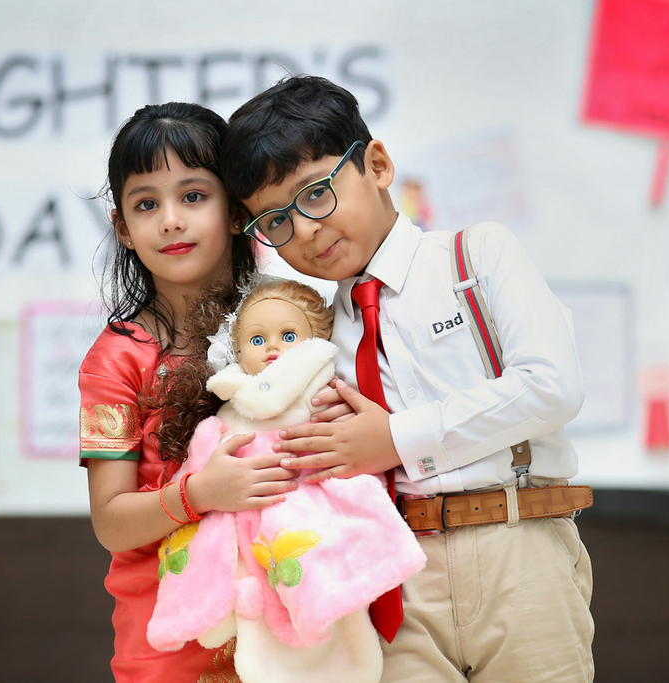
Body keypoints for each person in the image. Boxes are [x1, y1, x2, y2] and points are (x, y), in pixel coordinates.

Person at [220, 76, 595, 682]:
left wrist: (395, 439)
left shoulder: (476, 257)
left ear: (377, 164)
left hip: (517, 543)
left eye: (316, 194)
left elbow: (551, 386)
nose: (305, 230)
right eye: (275, 220)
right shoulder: (314, 340)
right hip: (394, 574)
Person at [79, 102, 301, 683]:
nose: (171, 220)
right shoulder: (115, 359)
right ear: (123, 227)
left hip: (294, 623)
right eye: (146, 203)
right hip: (170, 644)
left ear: (234, 209)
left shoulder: (292, 321)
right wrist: (201, 493)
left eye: (194, 195)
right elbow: (110, 521)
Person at [146, 277, 425, 683]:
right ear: (238, 351)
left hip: (319, 534)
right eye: (257, 340)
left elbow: (362, 465)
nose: (273, 347)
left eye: (288, 335)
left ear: (316, 340)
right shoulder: (225, 419)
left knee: (334, 624)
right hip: (250, 541)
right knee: (262, 627)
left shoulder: (326, 400)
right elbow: (199, 483)